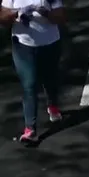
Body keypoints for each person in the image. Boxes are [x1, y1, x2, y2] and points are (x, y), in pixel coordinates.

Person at [0, 0, 65, 146]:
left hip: (50, 44)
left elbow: (60, 17)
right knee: (29, 84)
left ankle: (53, 105)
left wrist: (46, 13)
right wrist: (17, 13)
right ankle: (30, 129)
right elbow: (3, 18)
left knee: (50, 78)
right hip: (23, 45)